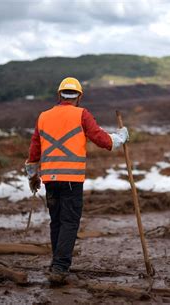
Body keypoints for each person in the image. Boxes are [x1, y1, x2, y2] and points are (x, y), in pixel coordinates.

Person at [25, 77, 129, 284]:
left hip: (51, 181)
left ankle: (57, 263)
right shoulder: (82, 114)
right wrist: (121, 137)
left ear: (59, 95)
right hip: (72, 180)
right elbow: (101, 139)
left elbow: (34, 149)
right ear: (79, 96)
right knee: (69, 222)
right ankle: (60, 268)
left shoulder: (43, 116)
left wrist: (32, 175)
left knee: (57, 222)